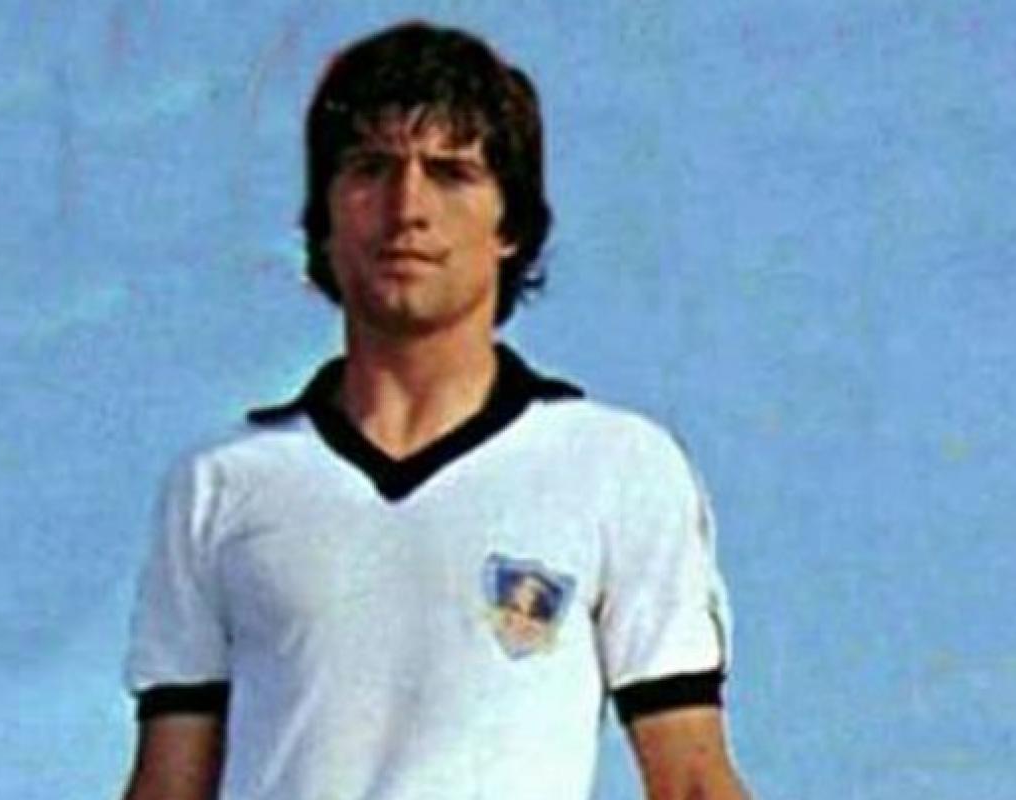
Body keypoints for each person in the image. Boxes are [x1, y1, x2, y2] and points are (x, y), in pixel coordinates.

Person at [121, 20, 749, 800]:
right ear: (325, 216)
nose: (406, 206)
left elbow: (691, 779)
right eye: (370, 168)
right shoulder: (221, 486)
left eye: (451, 173)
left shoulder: (615, 467)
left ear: (509, 225)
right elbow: (168, 786)